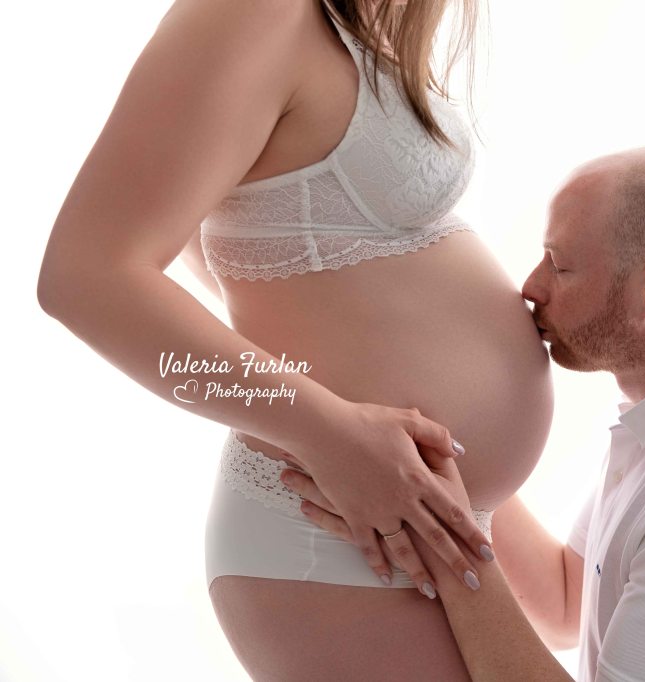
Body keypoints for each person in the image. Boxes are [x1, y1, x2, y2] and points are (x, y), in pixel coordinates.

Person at [36, 0, 554, 678]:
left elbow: (247, 255)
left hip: (404, 511)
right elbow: (83, 280)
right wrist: (328, 432)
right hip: (332, 533)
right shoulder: (258, 10)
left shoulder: (367, 21)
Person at [290, 147, 645, 680]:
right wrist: (430, 471)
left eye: (559, 265)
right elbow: (564, 601)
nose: (531, 286)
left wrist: (443, 544)